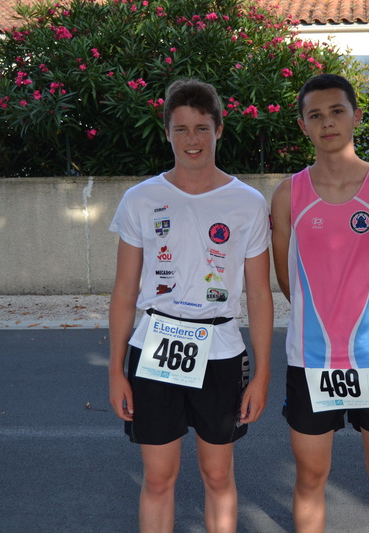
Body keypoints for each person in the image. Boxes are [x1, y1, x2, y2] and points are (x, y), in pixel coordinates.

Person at [108, 78, 273, 533]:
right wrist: (116, 369)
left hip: (220, 351)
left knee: (218, 475)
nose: (192, 140)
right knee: (159, 478)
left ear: (219, 129)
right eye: (180, 129)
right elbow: (124, 291)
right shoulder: (140, 199)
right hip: (154, 348)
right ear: (166, 132)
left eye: (201, 128)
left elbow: (259, 295)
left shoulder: (248, 203)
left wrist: (261, 373)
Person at [270, 73, 369, 533]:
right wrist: (323, 323)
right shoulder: (286, 195)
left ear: (355, 115)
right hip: (311, 360)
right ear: (303, 126)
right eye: (315, 115)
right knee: (311, 476)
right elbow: (286, 278)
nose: (327, 122)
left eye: (337, 111)